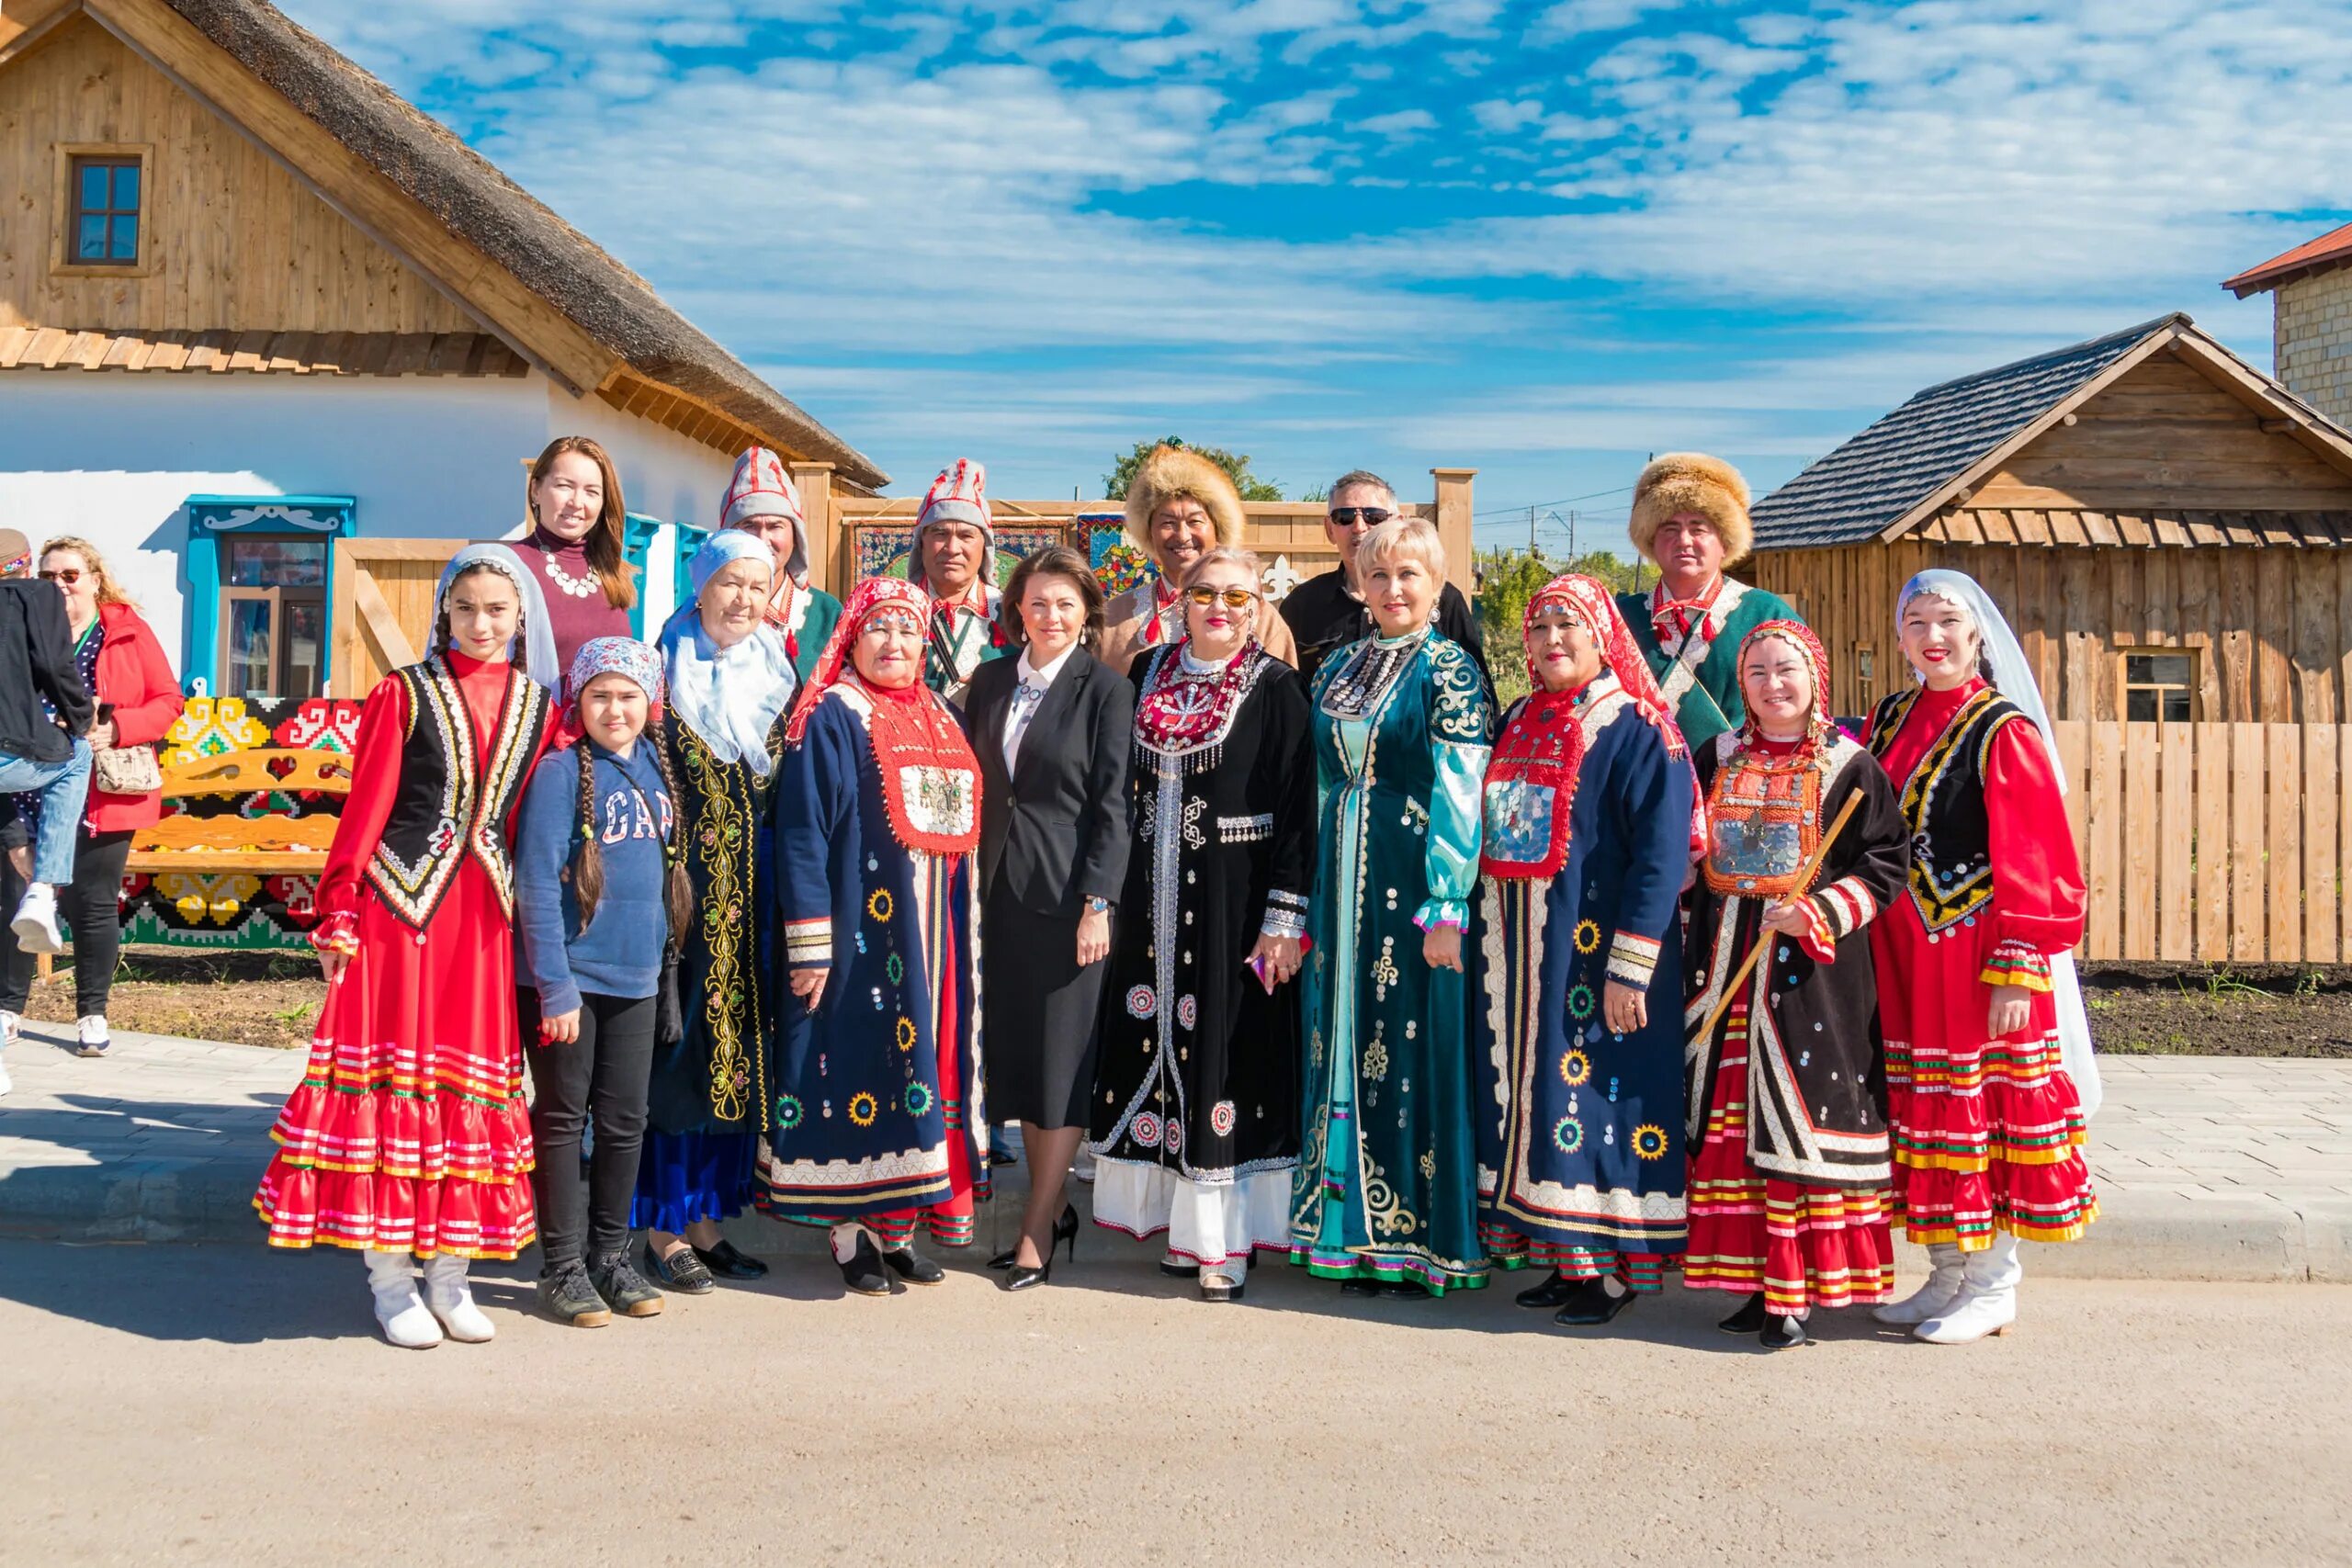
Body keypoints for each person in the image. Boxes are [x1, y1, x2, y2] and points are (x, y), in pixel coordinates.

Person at [254, 545, 557, 1348]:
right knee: (393, 1093)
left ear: (521, 615)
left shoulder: (539, 704)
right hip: (400, 915)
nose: (483, 623)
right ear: (443, 614)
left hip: (484, 925)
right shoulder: (405, 693)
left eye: (498, 609)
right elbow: (367, 807)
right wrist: (339, 909)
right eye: (467, 609)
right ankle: (391, 1280)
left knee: (468, 1099)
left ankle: (451, 1276)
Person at [1865, 570, 2098, 1345]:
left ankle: (1994, 1282)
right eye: (1917, 622)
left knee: (1976, 1114)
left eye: (1947, 622)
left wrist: (2019, 967)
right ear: (1900, 636)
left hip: (1973, 954)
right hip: (1899, 950)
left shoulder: (2003, 731)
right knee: (1921, 1115)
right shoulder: (1889, 718)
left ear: (1976, 635)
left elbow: (2036, 858)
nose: (1932, 637)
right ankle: (1943, 1274)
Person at [1088, 547, 1314, 1301]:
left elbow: (1296, 814)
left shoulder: (1278, 687)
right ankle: (1187, 1232)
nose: (1222, 606)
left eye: (1238, 596)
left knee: (1226, 1056)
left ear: (1257, 607)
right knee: (1156, 1043)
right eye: (1206, 592)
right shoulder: (1147, 668)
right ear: (1181, 599)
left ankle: (1227, 1242)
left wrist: (1284, 920)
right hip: (1150, 902)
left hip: (1235, 904)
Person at [1476, 574, 1698, 1327]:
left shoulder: (1638, 726)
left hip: (1595, 948)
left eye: (1568, 625)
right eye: (1538, 628)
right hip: (1520, 947)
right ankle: (1570, 1259)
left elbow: (1662, 856)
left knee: (1592, 1096)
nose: (1551, 641)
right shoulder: (1520, 714)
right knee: (1541, 1100)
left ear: (1602, 635)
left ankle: (1612, 1269)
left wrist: (1631, 965)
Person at [1681, 620, 1909, 1348]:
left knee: (1794, 1131)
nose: (1773, 686)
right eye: (1757, 674)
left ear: (1815, 676)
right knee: (1733, 1130)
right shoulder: (1715, 756)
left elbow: (1885, 864)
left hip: (1807, 976)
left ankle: (1796, 1295)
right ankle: (1754, 1283)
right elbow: (1687, 839)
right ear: (1740, 686)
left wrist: (1817, 907)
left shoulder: (1850, 766)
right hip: (1725, 968)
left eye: (1787, 670)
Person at [761, 578, 988, 1294]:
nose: (895, 644)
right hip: (860, 935)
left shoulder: (941, 715)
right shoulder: (830, 714)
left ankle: (896, 1229)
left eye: (909, 632)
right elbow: (802, 831)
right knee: (852, 1069)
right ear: (852, 638)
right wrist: (810, 942)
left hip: (933, 939)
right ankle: (848, 1231)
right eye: (879, 630)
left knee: (916, 1076)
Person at [1290, 515, 1492, 1298]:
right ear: (1361, 586)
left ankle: (1411, 1237)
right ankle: (1344, 1232)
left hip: (1410, 881)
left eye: (1409, 575)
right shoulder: (1338, 665)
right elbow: (1316, 779)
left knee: (1405, 1044)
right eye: (1379, 576)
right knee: (1338, 1038)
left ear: (1435, 584)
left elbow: (1461, 787)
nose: (1394, 589)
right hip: (1339, 878)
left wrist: (1448, 901)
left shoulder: (1451, 669)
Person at [965, 545, 1135, 1290]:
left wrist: (1100, 901)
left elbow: (1113, 805)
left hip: (1071, 902)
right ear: (1017, 610)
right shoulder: (990, 681)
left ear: (1087, 613)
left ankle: (1037, 1224)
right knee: (1024, 1061)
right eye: (1038, 602)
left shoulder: (1105, 691)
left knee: (1062, 1061)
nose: (1051, 615)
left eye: (1066, 604)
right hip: (995, 896)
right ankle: (1051, 1202)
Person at [634, 533, 794, 1293]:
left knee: (737, 1057)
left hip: (755, 898)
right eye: (729, 583)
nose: (742, 600)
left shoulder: (777, 675)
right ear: (701, 588)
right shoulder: (662, 674)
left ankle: (708, 1220)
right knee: (680, 1052)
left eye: (756, 588)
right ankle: (664, 1226)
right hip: (684, 900)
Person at [514, 637, 687, 1327]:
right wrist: (553, 987)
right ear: (577, 701)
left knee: (624, 1122)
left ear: (651, 702)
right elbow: (533, 881)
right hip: (572, 982)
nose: (615, 708)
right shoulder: (561, 773)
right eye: (600, 695)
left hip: (637, 979)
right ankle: (560, 1267)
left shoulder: (655, 766)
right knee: (562, 1119)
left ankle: (610, 1256)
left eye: (628, 695)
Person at [0, 536, 184, 1057]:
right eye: (49, 576)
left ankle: (92, 1015)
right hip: (33, 785)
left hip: (103, 788)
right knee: (14, 898)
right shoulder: (24, 624)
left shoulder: (125, 631)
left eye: (70, 576)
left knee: (93, 904)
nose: (59, 585)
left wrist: (117, 726)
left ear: (95, 580)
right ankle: (8, 1009)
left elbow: (169, 702)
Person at [1615, 453, 1801, 754]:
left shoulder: (1766, 614)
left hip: (1741, 787)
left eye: (1698, 528)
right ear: (1650, 539)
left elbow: (1803, 713)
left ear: (1724, 540)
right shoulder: (1620, 618)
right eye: (1669, 529)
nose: (1684, 540)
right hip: (1638, 791)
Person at [0, 541, 94, 1098]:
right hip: (13, 753)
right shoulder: (34, 596)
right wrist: (80, 719)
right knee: (74, 758)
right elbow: (56, 665)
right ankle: (44, 888)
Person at [1101, 444, 1299, 675]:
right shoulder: (1115, 618)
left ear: (1217, 529)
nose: (1182, 536)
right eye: (1167, 523)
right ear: (1149, 533)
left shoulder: (1259, 616)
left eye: (1195, 521)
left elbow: (1284, 701)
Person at [1280, 469, 1483, 686]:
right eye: (1345, 517)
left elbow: (1478, 688)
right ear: (1330, 529)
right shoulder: (1303, 604)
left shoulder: (1443, 598)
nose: (1359, 527)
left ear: (1397, 523)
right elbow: (1283, 698)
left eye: (1373, 516)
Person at [514, 435, 637, 671]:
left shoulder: (612, 571)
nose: (577, 502)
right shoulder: (508, 567)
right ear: (536, 490)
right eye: (564, 486)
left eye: (591, 492)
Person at [720, 446, 840, 679]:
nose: (762, 539)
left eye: (775, 526)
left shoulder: (827, 614)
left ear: (795, 536)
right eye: (749, 525)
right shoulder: (696, 614)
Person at [912, 458, 1008, 707]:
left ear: (985, 547)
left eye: (966, 535)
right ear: (921, 542)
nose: (952, 548)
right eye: (940, 533)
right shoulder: (893, 608)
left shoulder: (1014, 614)